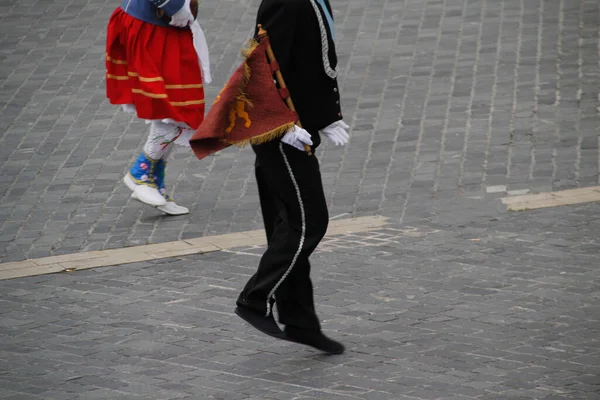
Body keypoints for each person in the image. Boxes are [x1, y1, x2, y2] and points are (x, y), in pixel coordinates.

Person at [234, 0, 350, 354]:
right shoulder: (284, 2)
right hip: (280, 136)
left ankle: (300, 321)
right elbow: (264, 65)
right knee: (309, 222)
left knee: (288, 228)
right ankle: (255, 298)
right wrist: (281, 124)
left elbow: (314, 61)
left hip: (299, 128)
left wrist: (327, 115)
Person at [105, 0, 211, 215]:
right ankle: (140, 173)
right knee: (176, 112)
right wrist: (175, 6)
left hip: (161, 27)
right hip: (153, 29)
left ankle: (154, 180)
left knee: (171, 113)